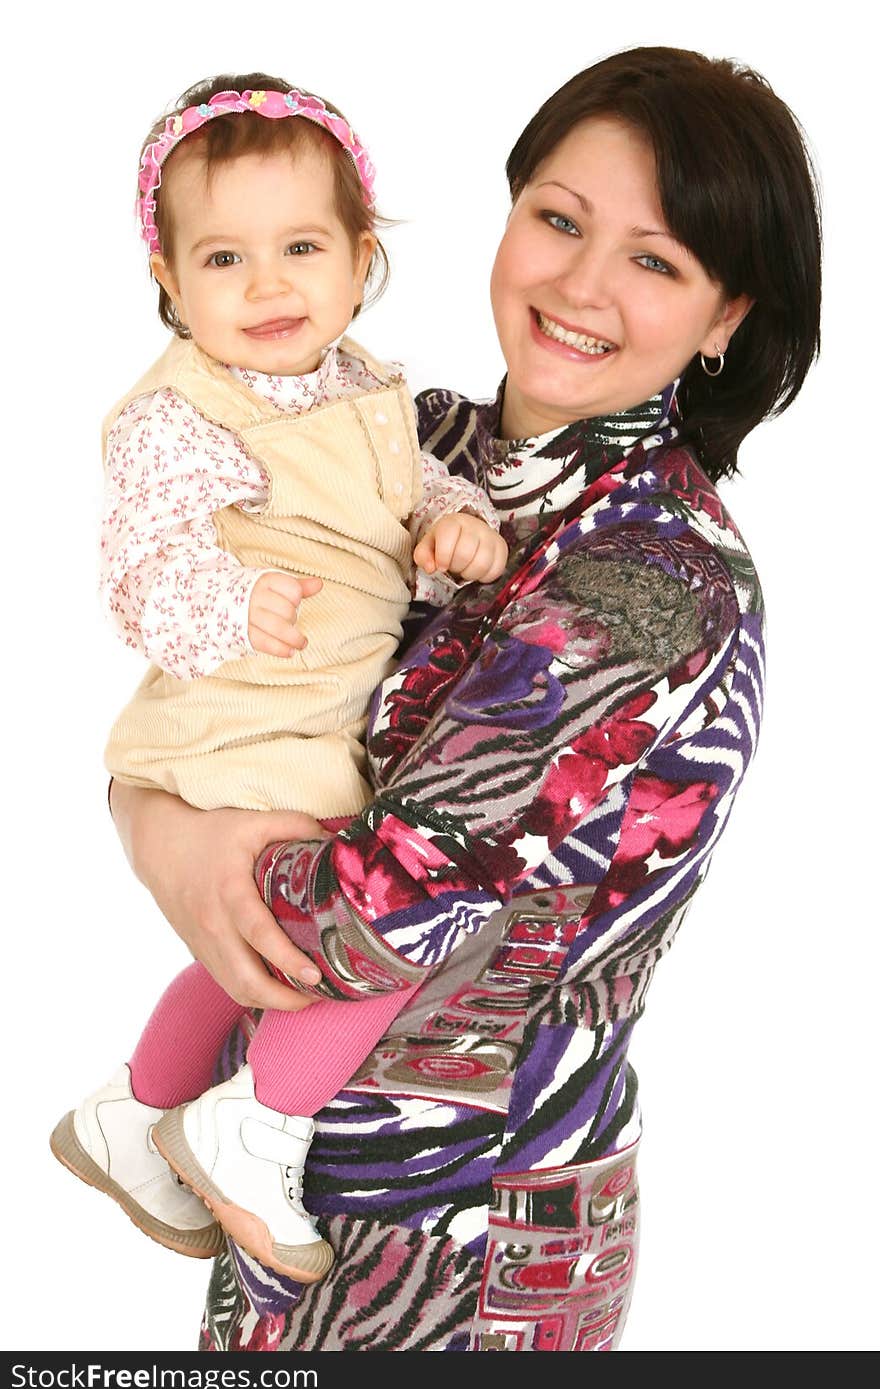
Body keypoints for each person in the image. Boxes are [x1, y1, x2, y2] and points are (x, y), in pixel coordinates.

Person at [106, 46, 821, 1351]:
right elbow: (192, 673)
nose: (580, 286)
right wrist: (154, 808)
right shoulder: (406, 443)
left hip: (464, 1258)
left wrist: (167, 819)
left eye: (655, 260)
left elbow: (354, 926)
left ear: (727, 317)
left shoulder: (653, 583)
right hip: (293, 1198)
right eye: (558, 219)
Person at [49, 74, 508, 1285]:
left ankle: (135, 1105)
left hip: (314, 719)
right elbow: (136, 570)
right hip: (240, 710)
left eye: (300, 246)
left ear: (361, 260)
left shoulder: (366, 389)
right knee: (372, 917)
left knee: (256, 943)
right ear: (168, 278)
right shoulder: (177, 415)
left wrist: (456, 527)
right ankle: (255, 1121)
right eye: (223, 257)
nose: (266, 286)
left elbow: (414, 493)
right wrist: (224, 597)